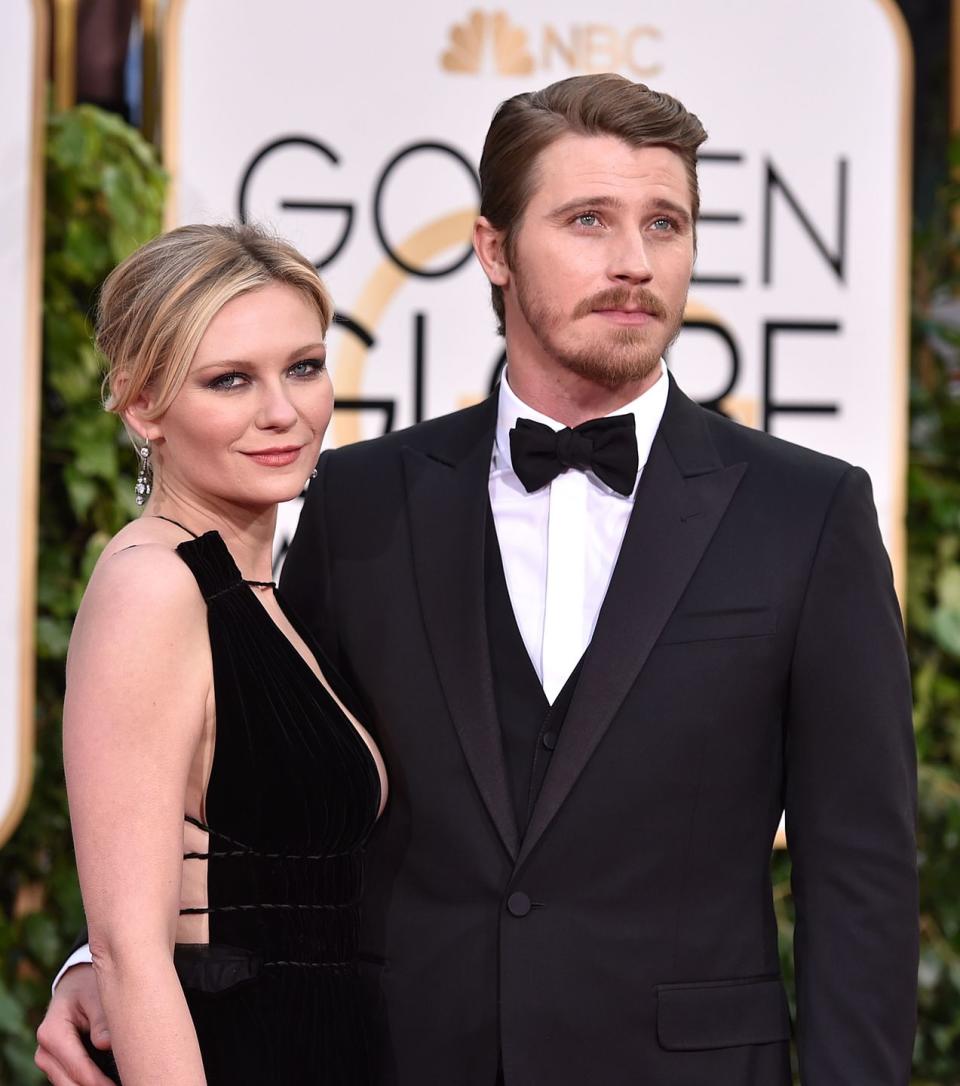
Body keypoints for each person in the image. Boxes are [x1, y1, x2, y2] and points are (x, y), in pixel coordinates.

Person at [38, 74, 917, 1086]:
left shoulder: (806, 513)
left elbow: (862, 879)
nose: (633, 261)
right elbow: (262, 794)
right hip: (393, 1061)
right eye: (589, 220)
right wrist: (102, 961)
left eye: (665, 223)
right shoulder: (361, 498)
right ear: (493, 249)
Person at [38, 223, 387, 1086]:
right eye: (230, 380)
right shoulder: (153, 587)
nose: (283, 411)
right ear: (141, 403)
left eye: (303, 367)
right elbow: (131, 951)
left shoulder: (258, 591)